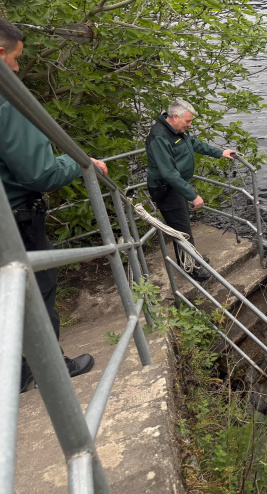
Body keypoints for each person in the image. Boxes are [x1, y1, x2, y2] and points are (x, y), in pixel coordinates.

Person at [0, 19, 109, 392]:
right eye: (15, 59)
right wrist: (80, 164)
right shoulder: (6, 97)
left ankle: (15, 372)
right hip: (15, 219)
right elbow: (40, 172)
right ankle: (47, 367)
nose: (16, 68)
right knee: (37, 287)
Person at [145, 99, 236, 281]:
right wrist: (193, 195)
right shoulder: (159, 137)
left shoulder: (177, 130)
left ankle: (191, 259)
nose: (190, 124)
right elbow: (169, 173)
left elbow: (194, 144)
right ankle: (191, 268)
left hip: (177, 186)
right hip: (167, 189)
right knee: (181, 229)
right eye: (188, 121)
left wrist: (220, 152)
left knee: (183, 224)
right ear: (175, 117)